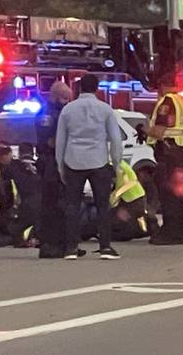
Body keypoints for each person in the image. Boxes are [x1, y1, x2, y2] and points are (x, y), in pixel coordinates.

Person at [56, 73, 123, 260]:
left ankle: (71, 247)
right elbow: (115, 139)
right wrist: (116, 163)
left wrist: (60, 164)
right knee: (103, 205)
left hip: (73, 160)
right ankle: (105, 247)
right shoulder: (105, 109)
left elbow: (61, 140)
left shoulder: (68, 110)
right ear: (97, 88)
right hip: (98, 160)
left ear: (78, 88)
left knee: (72, 206)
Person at [146, 82, 183, 245]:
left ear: (162, 86)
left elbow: (159, 130)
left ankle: (170, 233)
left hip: (168, 154)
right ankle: (178, 231)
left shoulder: (167, 102)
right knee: (178, 194)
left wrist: (144, 130)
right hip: (179, 153)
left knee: (168, 195)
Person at [35, 81, 73, 258]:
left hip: (61, 162)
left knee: (64, 205)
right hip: (50, 163)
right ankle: (50, 245)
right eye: (64, 98)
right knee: (52, 205)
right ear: (55, 96)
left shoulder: (63, 113)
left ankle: (65, 243)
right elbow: (50, 141)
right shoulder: (47, 115)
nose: (66, 101)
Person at [81, 160, 159, 242]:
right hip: (132, 199)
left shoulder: (112, 165)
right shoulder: (116, 163)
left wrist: (110, 201)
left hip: (131, 202)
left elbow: (119, 188)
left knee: (107, 222)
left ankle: (85, 233)